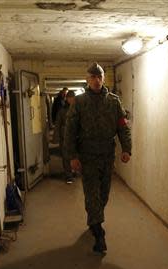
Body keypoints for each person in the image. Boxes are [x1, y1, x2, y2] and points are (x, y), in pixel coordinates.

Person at [64, 62, 132, 253]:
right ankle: (99, 234)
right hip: (87, 156)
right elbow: (70, 131)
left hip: (107, 155)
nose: (96, 80)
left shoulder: (114, 101)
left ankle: (94, 219)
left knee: (103, 195)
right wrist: (73, 156)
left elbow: (122, 126)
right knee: (92, 193)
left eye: (99, 76)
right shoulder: (80, 102)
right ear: (87, 79)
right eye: (93, 77)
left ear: (103, 79)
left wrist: (126, 148)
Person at [54, 90, 76, 184]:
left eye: (73, 98)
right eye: (69, 98)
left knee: (75, 155)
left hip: (76, 137)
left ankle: (73, 170)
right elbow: (58, 124)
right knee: (66, 156)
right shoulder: (62, 111)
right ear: (67, 99)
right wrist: (56, 138)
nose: (71, 100)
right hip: (65, 137)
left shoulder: (78, 109)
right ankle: (68, 175)